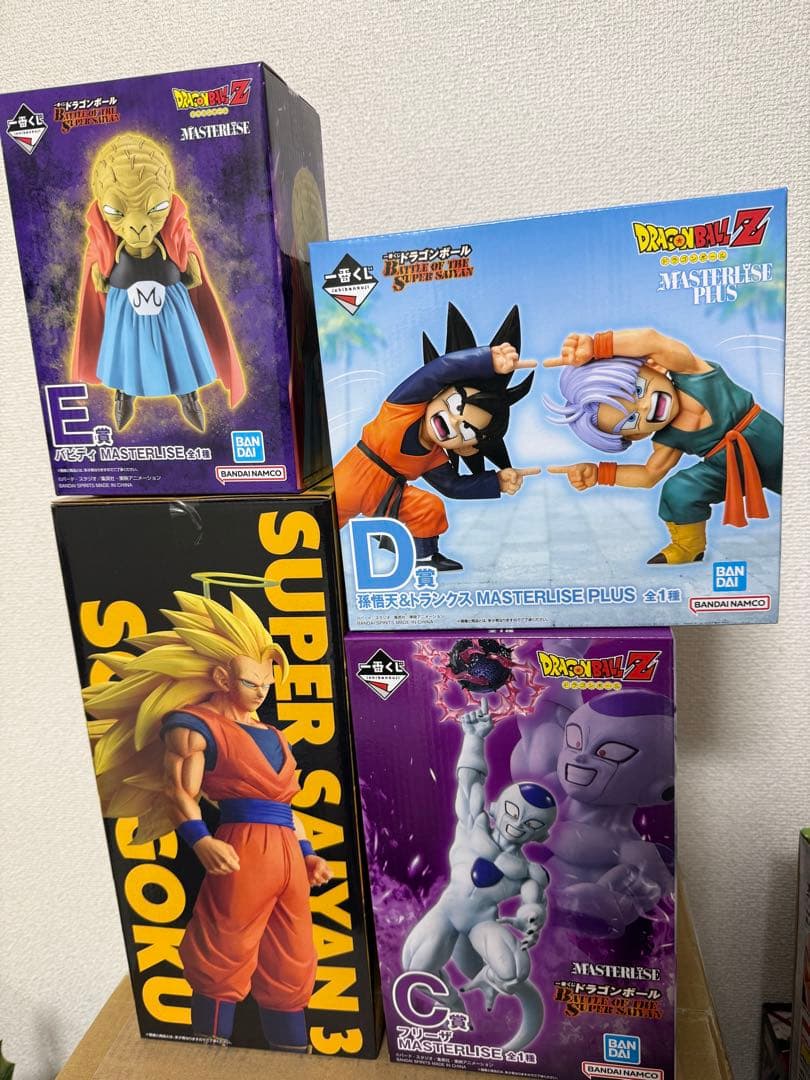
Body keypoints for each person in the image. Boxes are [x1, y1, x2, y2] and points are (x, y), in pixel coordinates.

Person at [83, 590, 330, 1050]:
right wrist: (200, 839)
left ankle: (296, 1056)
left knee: (293, 960)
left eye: (267, 683)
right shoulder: (194, 725)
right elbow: (179, 790)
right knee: (223, 952)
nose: (262, 692)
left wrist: (308, 853)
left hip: (287, 855)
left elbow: (286, 806)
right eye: (251, 682)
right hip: (242, 848)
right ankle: (207, 1057)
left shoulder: (274, 733)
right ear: (221, 677)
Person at [544, 328, 783, 564]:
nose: (644, 407)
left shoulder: (693, 372)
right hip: (728, 468)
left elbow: (651, 341)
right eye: (631, 420)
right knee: (679, 490)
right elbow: (649, 475)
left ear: (654, 366)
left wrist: (597, 346)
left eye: (637, 390)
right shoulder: (668, 440)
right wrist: (599, 474)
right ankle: (688, 547)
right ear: (637, 435)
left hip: (770, 439)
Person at [334, 304, 538, 571]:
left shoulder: (433, 457)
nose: (453, 422)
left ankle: (425, 557)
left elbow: (453, 486)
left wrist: (496, 481)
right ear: (439, 393)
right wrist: (486, 360)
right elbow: (438, 371)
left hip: (389, 495)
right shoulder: (402, 407)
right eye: (455, 405)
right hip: (352, 479)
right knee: (325, 519)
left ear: (467, 449)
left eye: (466, 431)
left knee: (429, 506)